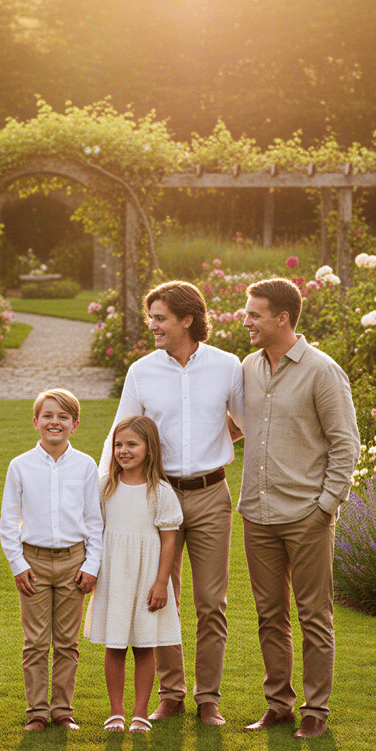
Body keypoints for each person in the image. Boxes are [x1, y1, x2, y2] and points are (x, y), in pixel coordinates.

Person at [102, 280, 243, 725]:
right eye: (152, 318)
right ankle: (171, 694)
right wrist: (103, 489)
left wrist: (215, 441)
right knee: (160, 596)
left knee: (211, 602)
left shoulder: (227, 366)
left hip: (211, 496)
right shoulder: (141, 371)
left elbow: (245, 421)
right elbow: (120, 431)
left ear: (187, 320)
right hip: (157, 496)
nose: (153, 325)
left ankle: (208, 699)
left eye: (160, 318)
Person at [238, 278, 360, 738]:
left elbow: (345, 445)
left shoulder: (322, 371)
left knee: (314, 617)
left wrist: (325, 507)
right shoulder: (249, 367)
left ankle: (315, 711)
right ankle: (278, 705)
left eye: (254, 314)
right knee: (269, 616)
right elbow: (240, 426)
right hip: (257, 514)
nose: (246, 321)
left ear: (282, 318)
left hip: (307, 515)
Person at [0, 388, 102, 733]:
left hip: (74, 562)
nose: (54, 422)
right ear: (36, 422)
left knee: (67, 643)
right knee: (36, 642)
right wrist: (18, 565)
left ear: (74, 424)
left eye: (63, 417)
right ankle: (37, 713)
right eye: (47, 416)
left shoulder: (85, 465)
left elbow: (94, 520)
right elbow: (8, 521)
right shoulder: (20, 466)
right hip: (34, 563)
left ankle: (62, 711)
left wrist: (91, 565)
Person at [87, 416, 182, 733]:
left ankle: (140, 712)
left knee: (144, 645)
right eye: (118, 445)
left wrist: (161, 582)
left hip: (147, 578)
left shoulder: (161, 491)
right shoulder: (105, 487)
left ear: (149, 449)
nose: (123, 451)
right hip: (114, 577)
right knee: (114, 645)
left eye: (131, 444)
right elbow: (94, 530)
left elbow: (169, 540)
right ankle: (116, 711)